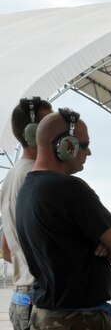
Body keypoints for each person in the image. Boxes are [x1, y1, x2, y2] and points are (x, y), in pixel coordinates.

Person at [15, 108, 111, 329]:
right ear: (65, 146)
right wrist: (101, 250)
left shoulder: (28, 189)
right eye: (84, 145)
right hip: (77, 319)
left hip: (44, 316)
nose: (88, 153)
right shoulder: (69, 189)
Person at [0, 97, 52, 330]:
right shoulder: (37, 178)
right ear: (33, 132)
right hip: (41, 297)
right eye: (49, 123)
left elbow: (5, 249)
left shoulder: (11, 177)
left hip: (21, 297)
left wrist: (26, 264)